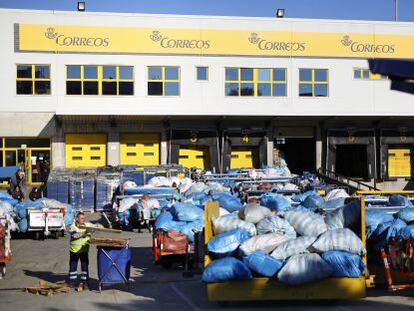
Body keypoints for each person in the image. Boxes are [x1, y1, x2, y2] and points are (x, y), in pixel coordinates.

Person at [68, 212, 100, 289]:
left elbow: (95, 227)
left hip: (84, 250)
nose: (83, 220)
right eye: (81, 218)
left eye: (84, 218)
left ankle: (84, 282)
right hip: (74, 251)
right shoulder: (72, 226)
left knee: (85, 267)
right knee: (73, 267)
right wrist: (85, 232)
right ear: (77, 219)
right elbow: (75, 235)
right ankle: (72, 282)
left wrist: (98, 226)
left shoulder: (87, 225)